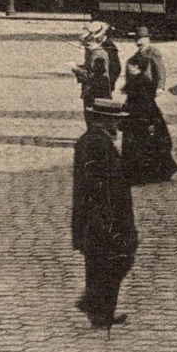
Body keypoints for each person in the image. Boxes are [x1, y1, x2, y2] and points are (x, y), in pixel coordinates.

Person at [72, 99, 137, 329]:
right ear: (105, 119)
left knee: (102, 263)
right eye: (116, 120)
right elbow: (97, 185)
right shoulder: (95, 144)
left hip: (101, 215)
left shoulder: (95, 141)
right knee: (113, 259)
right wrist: (105, 219)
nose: (119, 125)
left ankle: (100, 311)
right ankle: (94, 305)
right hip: (103, 216)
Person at [121, 28, 177, 185]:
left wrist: (160, 87)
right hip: (138, 95)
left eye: (142, 39)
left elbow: (160, 71)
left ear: (147, 38)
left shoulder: (153, 53)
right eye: (137, 39)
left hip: (146, 93)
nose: (139, 42)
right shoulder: (136, 56)